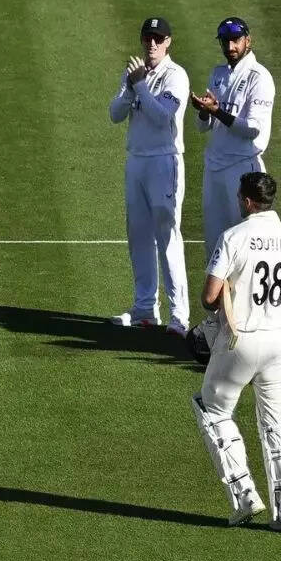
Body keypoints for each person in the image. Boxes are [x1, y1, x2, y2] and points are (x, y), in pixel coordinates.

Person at [190, 172, 281, 533]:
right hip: (279, 340)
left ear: (247, 201)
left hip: (241, 339)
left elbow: (209, 298)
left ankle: (244, 494)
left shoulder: (234, 237)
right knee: (278, 425)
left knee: (213, 410)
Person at [107, 17, 192, 335]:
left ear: (168, 41)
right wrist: (130, 88)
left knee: (167, 236)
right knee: (139, 234)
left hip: (164, 162)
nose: (152, 44)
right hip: (137, 162)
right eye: (148, 38)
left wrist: (140, 84)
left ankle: (180, 316)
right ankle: (145, 308)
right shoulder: (134, 73)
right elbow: (115, 114)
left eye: (158, 38)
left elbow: (162, 117)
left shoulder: (176, 75)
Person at [190, 17, 275, 260]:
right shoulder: (218, 74)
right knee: (215, 248)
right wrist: (205, 112)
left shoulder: (260, 78)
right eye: (225, 42)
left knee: (242, 247)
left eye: (236, 41)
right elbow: (202, 127)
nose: (230, 47)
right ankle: (218, 299)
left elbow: (253, 129)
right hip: (214, 168)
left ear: (248, 40)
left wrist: (217, 111)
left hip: (242, 169)